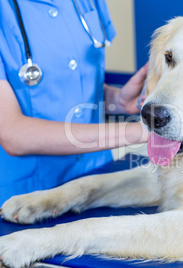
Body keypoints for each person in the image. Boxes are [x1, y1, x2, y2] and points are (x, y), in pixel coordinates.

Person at [0, 0, 148, 205]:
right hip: (26, 195)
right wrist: (140, 131)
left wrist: (117, 101)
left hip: (95, 179)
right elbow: (13, 134)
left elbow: (64, 87)